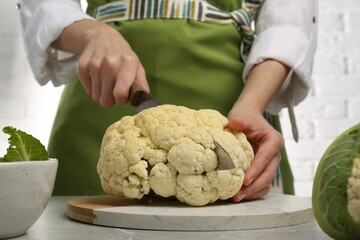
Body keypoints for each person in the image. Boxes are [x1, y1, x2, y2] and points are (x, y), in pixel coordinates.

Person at [18, 0, 317, 202]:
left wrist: (252, 104)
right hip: (99, 99)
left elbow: (288, 22)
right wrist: (91, 33)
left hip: (231, 102)